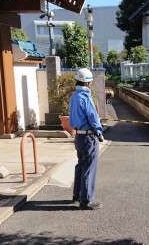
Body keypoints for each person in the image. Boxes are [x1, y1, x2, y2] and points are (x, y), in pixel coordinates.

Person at [69, 68, 104, 210]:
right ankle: (86, 200)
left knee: (81, 165)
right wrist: (99, 132)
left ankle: (76, 194)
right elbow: (92, 116)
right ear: (88, 83)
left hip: (78, 135)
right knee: (89, 167)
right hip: (88, 136)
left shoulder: (74, 96)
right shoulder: (85, 96)